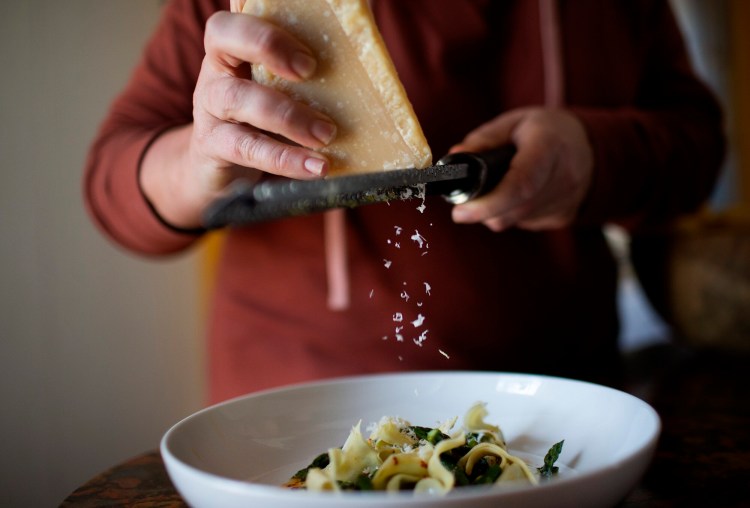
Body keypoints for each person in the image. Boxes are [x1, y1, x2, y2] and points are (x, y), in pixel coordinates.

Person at [84, 0, 725, 404]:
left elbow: (698, 149)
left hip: (559, 406)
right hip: (304, 417)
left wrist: (595, 153)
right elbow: (113, 183)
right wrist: (199, 159)